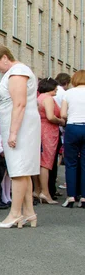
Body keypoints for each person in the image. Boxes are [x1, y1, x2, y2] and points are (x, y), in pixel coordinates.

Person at [0, 45, 40, 228]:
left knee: (18, 170)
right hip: (20, 125)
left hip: (20, 126)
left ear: (4, 57)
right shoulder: (17, 71)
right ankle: (29, 213)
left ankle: (15, 213)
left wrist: (13, 132)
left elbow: (19, 104)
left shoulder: (17, 72)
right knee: (22, 171)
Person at [34, 78, 64, 204]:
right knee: (46, 162)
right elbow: (51, 116)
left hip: (39, 128)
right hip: (49, 131)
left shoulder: (39, 98)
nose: (57, 90)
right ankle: (45, 192)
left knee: (38, 160)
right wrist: (61, 121)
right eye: (55, 88)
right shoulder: (48, 99)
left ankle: (37, 189)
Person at [60, 70, 85, 208]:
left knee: (71, 163)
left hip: (72, 127)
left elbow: (63, 114)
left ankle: (70, 196)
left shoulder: (68, 93)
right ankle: (84, 197)